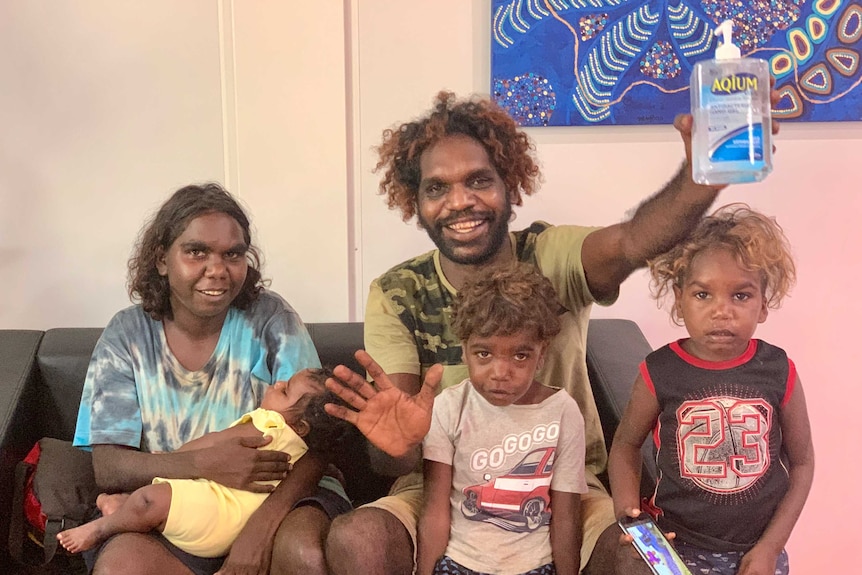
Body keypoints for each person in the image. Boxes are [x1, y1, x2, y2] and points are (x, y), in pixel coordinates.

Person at [321, 90, 781, 575]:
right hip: (440, 485)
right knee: (358, 538)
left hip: (568, 488)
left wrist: (700, 179)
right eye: (437, 189)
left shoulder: (550, 255)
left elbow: (632, 241)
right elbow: (395, 451)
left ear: (510, 186)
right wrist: (396, 445)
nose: (460, 201)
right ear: (415, 202)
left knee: (650, 558)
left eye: (479, 180)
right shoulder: (397, 292)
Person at [72, 183, 350, 575]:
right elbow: (110, 467)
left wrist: (258, 533)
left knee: (303, 551)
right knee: (123, 568)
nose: (217, 269)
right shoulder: (126, 337)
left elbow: (319, 440)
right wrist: (204, 464)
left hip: (280, 497)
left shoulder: (271, 319)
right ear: (162, 259)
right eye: (196, 251)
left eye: (232, 254)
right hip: (179, 502)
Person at [607, 204, 814, 575]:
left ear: (763, 305)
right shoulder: (660, 370)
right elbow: (624, 446)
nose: (722, 311)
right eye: (703, 295)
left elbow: (802, 463)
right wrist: (631, 519)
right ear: (680, 298)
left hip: (759, 550)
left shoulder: (779, 369)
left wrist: (771, 547)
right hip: (677, 545)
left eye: (740, 296)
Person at [60, 368, 351, 558]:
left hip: (217, 516)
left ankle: (102, 527)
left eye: (285, 391)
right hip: (230, 524)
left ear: (301, 426)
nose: (277, 383)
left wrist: (176, 458)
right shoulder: (301, 446)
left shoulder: (271, 424)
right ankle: (123, 505)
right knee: (159, 496)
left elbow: (213, 442)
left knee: (150, 500)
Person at [418, 264, 587, 575]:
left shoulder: (563, 412)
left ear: (542, 354)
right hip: (460, 563)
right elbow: (435, 511)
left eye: (520, 356)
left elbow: (566, 518)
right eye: (484, 354)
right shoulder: (449, 407)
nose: (500, 373)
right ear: (464, 350)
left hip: (534, 566)